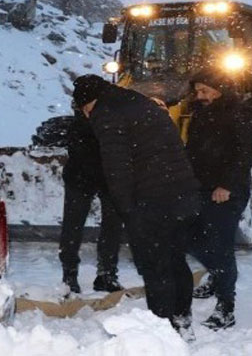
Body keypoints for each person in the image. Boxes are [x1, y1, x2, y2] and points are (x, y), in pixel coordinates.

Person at [71, 74, 201, 337]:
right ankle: (182, 317)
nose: (87, 116)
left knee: (155, 265)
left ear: (89, 103)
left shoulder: (106, 113)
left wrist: (126, 210)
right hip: (182, 194)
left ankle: (162, 329)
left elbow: (117, 168)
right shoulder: (141, 102)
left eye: (85, 110)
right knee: (176, 259)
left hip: (153, 200)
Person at [185, 69, 252, 330]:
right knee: (189, 237)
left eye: (205, 90)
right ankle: (218, 276)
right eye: (197, 91)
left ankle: (226, 307)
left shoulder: (242, 112)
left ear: (219, 89)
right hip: (201, 188)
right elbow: (193, 151)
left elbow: (246, 153)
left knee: (220, 246)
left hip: (227, 191)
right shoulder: (199, 113)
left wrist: (227, 184)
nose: (200, 95)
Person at [58, 99, 124, 295]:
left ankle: (107, 273)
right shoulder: (78, 127)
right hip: (81, 180)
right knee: (73, 227)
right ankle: (69, 275)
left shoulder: (112, 122)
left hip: (108, 180)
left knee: (112, 227)